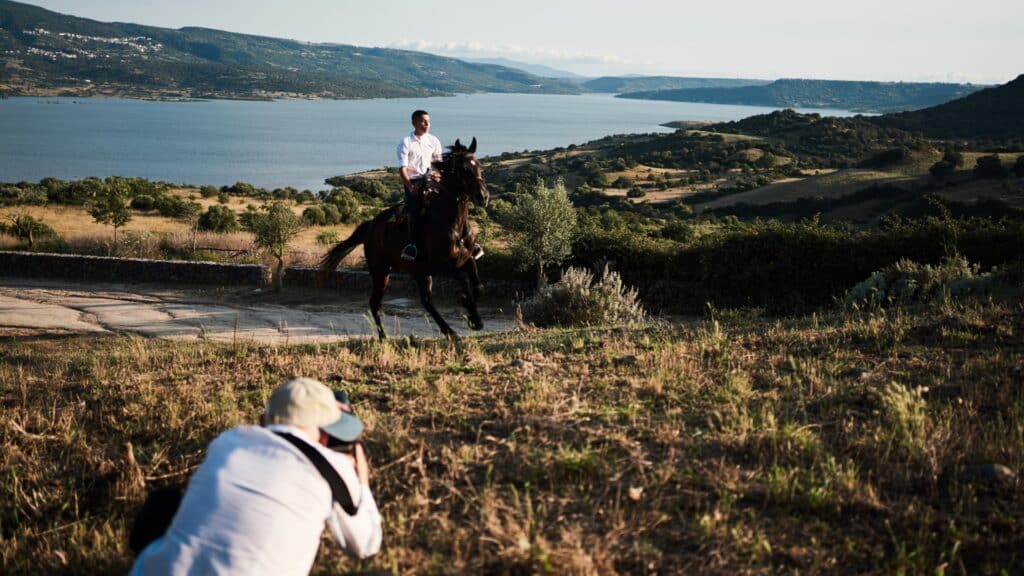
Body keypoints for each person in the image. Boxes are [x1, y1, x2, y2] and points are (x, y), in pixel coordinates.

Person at [131, 378, 382, 576]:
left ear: (263, 420)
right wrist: (362, 482)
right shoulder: (333, 468)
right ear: (326, 435)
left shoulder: (228, 440)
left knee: (165, 503)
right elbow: (366, 545)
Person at [397, 109, 483, 262]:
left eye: (428, 121)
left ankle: (469, 242)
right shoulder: (406, 142)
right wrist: (410, 187)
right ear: (414, 122)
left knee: (457, 202)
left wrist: (438, 176)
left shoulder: (433, 141)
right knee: (415, 209)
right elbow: (402, 168)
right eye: (424, 121)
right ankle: (411, 246)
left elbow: (437, 165)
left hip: (433, 180)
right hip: (415, 182)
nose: (427, 124)